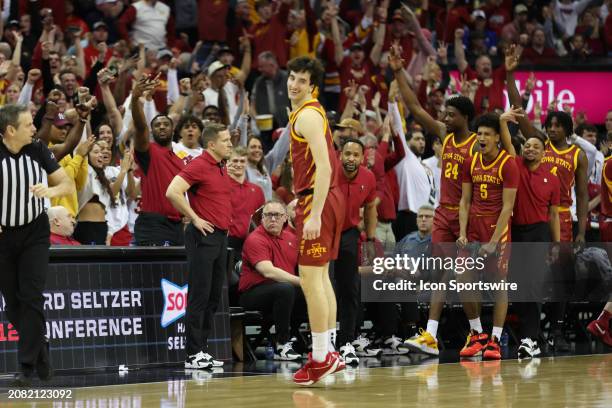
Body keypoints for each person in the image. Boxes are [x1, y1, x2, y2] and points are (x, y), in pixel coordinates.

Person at [388, 43, 476, 356]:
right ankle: (430, 335)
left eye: (451, 114)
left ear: (464, 117)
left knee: (465, 278)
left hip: (468, 217)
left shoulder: (479, 145)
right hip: (442, 214)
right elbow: (416, 108)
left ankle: (479, 334)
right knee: (441, 273)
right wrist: (398, 72)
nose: (444, 117)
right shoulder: (444, 134)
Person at [0, 104, 74, 385]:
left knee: (31, 295)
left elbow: (66, 184)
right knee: (13, 303)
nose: (34, 128)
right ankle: (40, 348)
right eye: (28, 124)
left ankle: (26, 366)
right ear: (10, 130)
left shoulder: (38, 149)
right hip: (3, 236)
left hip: (34, 232)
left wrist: (51, 190)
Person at [287, 56, 345, 386]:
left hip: (320, 200)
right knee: (321, 278)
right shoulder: (312, 111)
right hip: (322, 195)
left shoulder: (307, 115)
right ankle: (329, 353)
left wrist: (315, 211)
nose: (293, 83)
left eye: (301, 79)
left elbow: (324, 167)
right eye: (291, 76)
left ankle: (320, 358)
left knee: (311, 281)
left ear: (313, 86)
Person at [166, 123, 233, 369]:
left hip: (220, 236)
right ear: (212, 144)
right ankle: (193, 353)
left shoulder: (221, 167)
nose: (230, 144)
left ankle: (201, 349)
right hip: (203, 235)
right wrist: (194, 218)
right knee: (199, 295)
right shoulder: (199, 165)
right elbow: (172, 192)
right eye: (226, 141)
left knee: (213, 296)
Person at [457, 113, 520, 360]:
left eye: (486, 134)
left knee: (498, 283)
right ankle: (476, 334)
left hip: (497, 231)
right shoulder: (470, 161)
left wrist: (494, 241)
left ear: (497, 138)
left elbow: (508, 206)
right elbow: (464, 201)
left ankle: (495, 339)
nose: (481, 138)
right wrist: (461, 232)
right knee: (463, 279)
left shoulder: (508, 163)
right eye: (479, 133)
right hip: (472, 230)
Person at [239, 200, 303, 361]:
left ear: (285, 218)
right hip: (253, 293)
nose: (273, 219)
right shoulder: (255, 239)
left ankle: (331, 341)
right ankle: (282, 344)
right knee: (287, 289)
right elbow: (268, 272)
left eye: (277, 215)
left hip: (281, 290)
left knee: (325, 289)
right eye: (268, 215)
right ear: (261, 219)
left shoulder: (291, 238)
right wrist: (304, 281)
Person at [334, 138, 379, 365]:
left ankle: (346, 343)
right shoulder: (329, 170)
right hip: (324, 232)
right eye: (347, 154)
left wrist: (370, 239)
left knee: (350, 289)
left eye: (355, 155)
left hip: (349, 234)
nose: (351, 158)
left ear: (362, 158)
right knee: (326, 288)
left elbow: (370, 208)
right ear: (340, 155)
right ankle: (322, 342)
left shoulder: (368, 177)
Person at [132, 74, 186, 246]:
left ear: (173, 129)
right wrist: (135, 99)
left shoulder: (180, 162)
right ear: (152, 131)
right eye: (157, 125)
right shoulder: (148, 151)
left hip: (178, 226)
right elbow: (140, 127)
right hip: (152, 224)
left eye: (166, 124)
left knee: (175, 271)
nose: (161, 126)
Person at [228, 146, 266, 256]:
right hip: (228, 242)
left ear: (247, 164)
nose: (239, 164)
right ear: (228, 162)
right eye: (235, 161)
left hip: (251, 243)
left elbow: (261, 219)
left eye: (242, 161)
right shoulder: (222, 187)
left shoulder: (257, 190)